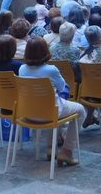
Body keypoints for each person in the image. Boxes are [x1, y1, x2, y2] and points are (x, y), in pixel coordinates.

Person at [19, 37, 86, 166]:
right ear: (46, 51)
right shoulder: (51, 70)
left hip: (27, 113)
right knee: (80, 110)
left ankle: (51, 148)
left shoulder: (22, 69)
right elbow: (63, 87)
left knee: (49, 104)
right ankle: (67, 151)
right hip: (49, 113)